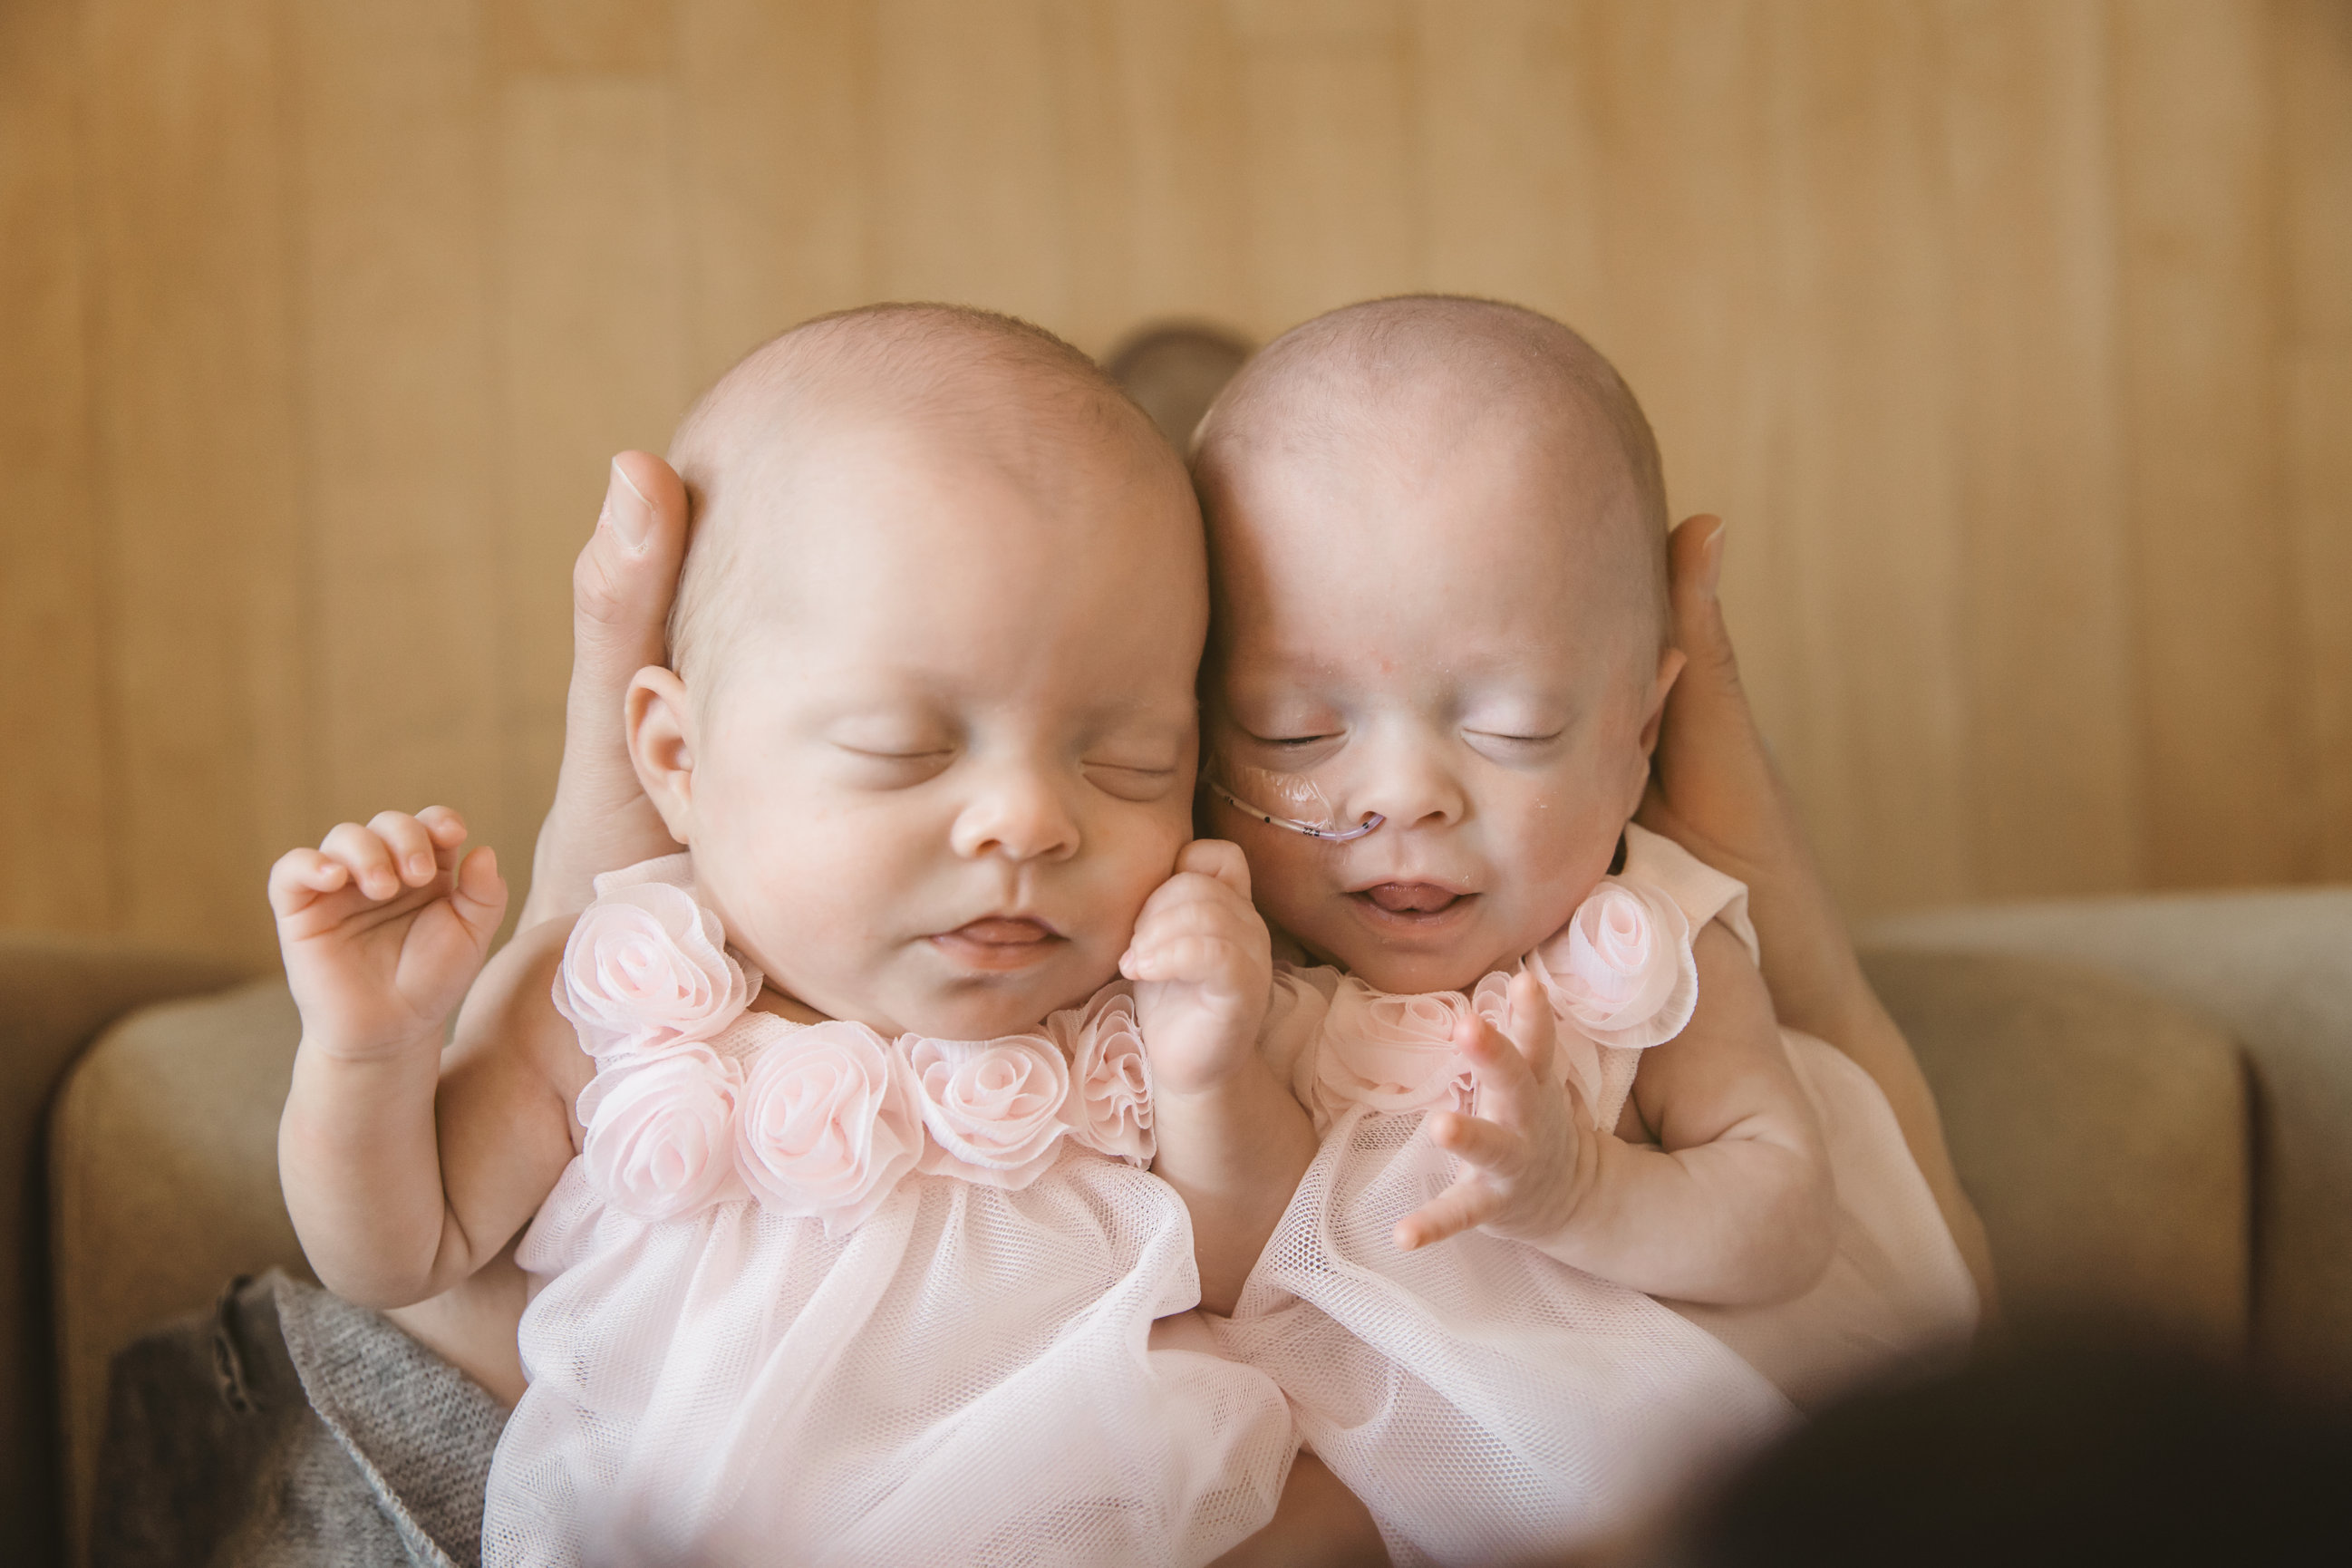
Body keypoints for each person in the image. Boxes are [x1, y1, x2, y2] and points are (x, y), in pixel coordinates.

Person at [450, 300, 2000, 1564]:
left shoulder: (1639, 943)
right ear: (1201, 745)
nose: (1401, 799)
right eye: (1289, 728)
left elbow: (1777, 1201)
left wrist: (1584, 1185)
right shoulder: (1178, 962)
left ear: (1642, 722)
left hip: (1634, 1455)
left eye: (1519, 728)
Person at [270, 305, 1302, 1566]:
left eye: (1132, 762)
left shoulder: (1129, 1024)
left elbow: (1258, 1275)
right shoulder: (618, 1000)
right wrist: (369, 1051)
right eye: (905, 749)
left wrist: (1213, 1067)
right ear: (675, 756)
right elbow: (397, 1251)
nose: (1031, 819)